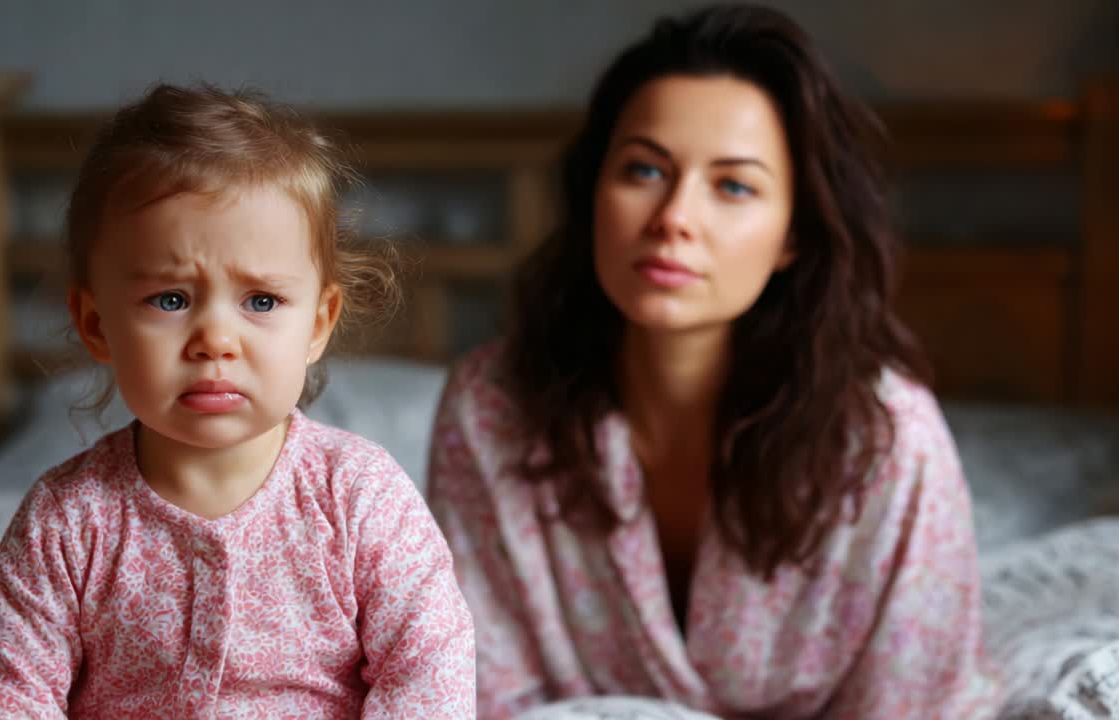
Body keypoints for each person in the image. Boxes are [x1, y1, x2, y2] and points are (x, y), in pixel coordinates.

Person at [426, 4, 1002, 718]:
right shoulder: (490, 405)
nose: (673, 217)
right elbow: (481, 692)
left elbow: (915, 706)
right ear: (593, 192)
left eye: (733, 185)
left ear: (793, 234)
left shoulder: (886, 437)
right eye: (643, 169)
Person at [0, 82, 475, 718]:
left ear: (317, 323)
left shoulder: (360, 498)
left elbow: (429, 671)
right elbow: (6, 693)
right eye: (170, 299)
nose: (215, 341)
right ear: (96, 326)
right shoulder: (66, 521)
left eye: (261, 301)